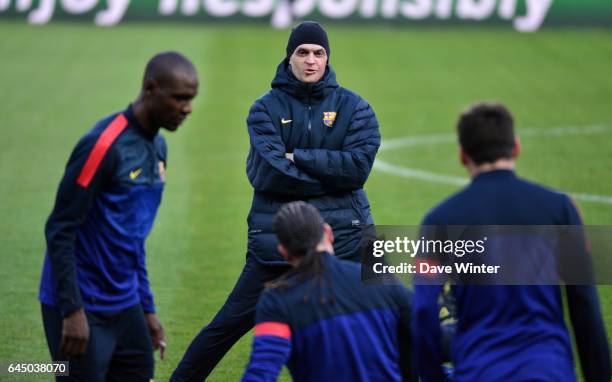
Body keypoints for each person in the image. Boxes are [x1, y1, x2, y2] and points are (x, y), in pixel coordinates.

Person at [172, 21, 380, 381]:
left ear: (328, 59)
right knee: (224, 328)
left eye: (318, 53)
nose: (311, 61)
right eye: (302, 53)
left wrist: (299, 157)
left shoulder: (356, 108)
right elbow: (271, 173)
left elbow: (357, 170)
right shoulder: (264, 109)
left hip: (348, 239)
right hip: (277, 244)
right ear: (289, 57)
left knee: (392, 318)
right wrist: (331, 176)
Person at [412, 102, 611, 381]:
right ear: (516, 147)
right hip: (548, 370)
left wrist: (432, 376)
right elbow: (585, 303)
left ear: (462, 155)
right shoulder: (560, 209)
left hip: (479, 371)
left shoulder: (438, 221)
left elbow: (423, 311)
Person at [39, 51, 198, 381]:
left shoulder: (159, 149)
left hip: (125, 305)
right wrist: (71, 310)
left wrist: (148, 309)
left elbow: (133, 237)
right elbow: (60, 228)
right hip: (81, 305)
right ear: (150, 88)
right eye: (180, 98)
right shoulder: (103, 146)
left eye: (191, 99)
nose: (188, 109)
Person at [242, 201, 416, 381]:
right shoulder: (378, 280)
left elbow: (262, 370)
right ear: (328, 233)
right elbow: (429, 335)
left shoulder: (277, 300)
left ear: (284, 252)